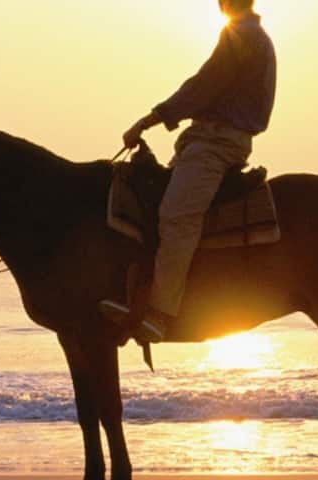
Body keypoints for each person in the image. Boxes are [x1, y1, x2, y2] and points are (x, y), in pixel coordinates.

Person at [114, 0, 276, 344]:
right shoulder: (250, 35)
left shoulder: (241, 35)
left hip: (216, 144)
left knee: (176, 217)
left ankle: (159, 314)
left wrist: (150, 119)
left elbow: (203, 86)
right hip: (205, 141)